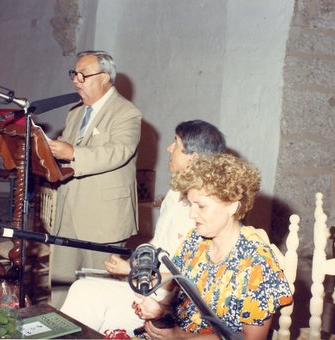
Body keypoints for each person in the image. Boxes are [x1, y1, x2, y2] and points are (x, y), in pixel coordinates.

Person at [59, 119, 226, 336]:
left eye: (175, 143)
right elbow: (158, 245)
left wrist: (133, 272)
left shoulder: (207, 212)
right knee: (83, 290)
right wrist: (134, 264)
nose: (169, 148)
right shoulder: (176, 193)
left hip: (174, 306)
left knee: (96, 307)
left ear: (192, 158)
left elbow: (190, 277)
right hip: (151, 290)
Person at [133, 153, 293, 339]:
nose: (192, 214)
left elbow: (250, 339)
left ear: (232, 207)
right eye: (191, 205)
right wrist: (160, 310)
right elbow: (181, 297)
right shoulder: (195, 240)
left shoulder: (257, 263)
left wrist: (180, 337)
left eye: (201, 206)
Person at [48, 50, 142, 306]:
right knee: (61, 285)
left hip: (103, 217)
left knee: (98, 292)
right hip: (68, 212)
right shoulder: (75, 113)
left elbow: (118, 152)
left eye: (83, 75)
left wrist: (73, 153)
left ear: (105, 78)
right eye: (74, 74)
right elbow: (65, 151)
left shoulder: (126, 112)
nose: (76, 80)